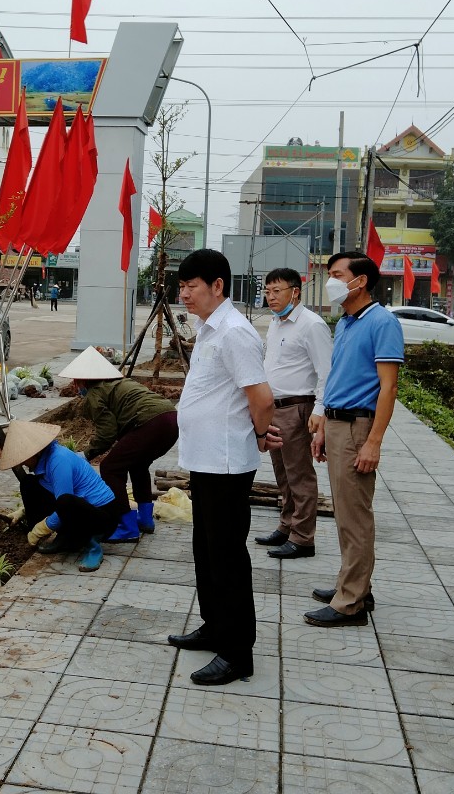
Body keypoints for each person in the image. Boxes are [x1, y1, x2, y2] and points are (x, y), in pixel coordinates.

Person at [166, 248, 278, 686]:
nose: (185, 294)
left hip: (227, 463)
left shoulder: (234, 332)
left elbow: (262, 398)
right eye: (181, 286)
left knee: (228, 556)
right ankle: (215, 627)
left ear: (218, 286)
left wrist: (258, 432)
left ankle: (237, 652)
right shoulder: (209, 329)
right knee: (206, 551)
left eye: (192, 286)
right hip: (207, 459)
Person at [306, 251, 403, 628]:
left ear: (359, 281)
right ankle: (355, 586)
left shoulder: (382, 322)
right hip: (337, 423)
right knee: (346, 515)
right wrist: (324, 428)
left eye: (335, 274)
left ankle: (351, 604)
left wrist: (373, 441)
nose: (329, 280)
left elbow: (388, 387)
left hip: (357, 427)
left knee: (355, 517)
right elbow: (339, 378)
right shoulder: (347, 321)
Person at [58, 347, 178, 543]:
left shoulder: (94, 394)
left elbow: (107, 432)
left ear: (85, 380)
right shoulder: (118, 384)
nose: (74, 386)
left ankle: (127, 526)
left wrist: (87, 454)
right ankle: (145, 519)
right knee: (137, 465)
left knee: (110, 467)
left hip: (150, 422)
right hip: (171, 419)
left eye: (76, 381)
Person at [256, 268, 332, 560]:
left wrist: (320, 410)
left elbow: (327, 371)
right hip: (274, 408)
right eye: (267, 291)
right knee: (282, 473)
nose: (271, 297)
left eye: (277, 291)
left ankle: (303, 538)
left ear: (295, 292)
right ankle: (287, 526)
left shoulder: (311, 325)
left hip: (297, 408)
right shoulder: (276, 323)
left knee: (299, 474)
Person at [2, 420, 123, 572]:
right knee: (29, 483)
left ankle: (93, 547)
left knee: (65, 501)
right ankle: (66, 538)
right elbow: (49, 492)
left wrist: (41, 528)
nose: (23, 463)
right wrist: (23, 512)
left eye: (24, 457)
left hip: (103, 517)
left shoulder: (59, 460)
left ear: (36, 451)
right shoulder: (45, 462)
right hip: (81, 509)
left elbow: (64, 504)